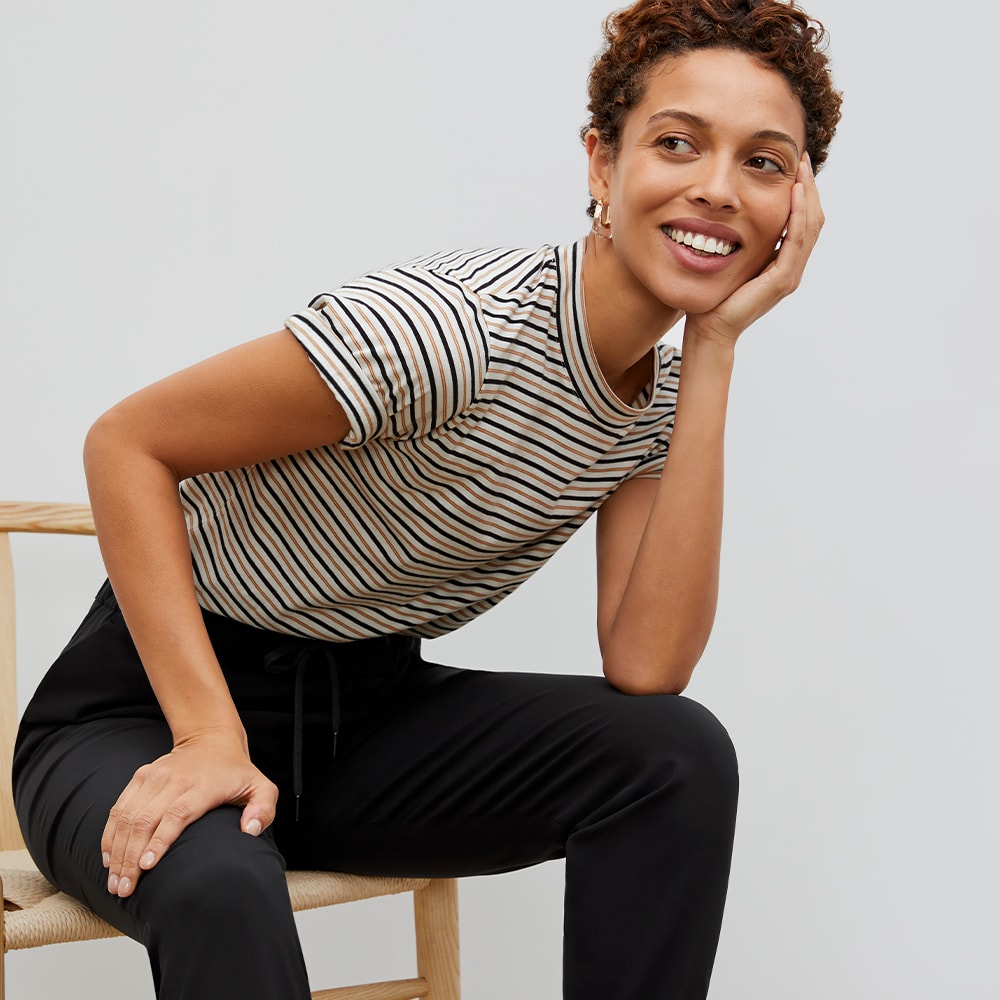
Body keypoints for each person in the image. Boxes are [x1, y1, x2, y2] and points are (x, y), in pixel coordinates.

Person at [13, 0, 841, 997]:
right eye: (676, 143)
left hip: (365, 720)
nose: (716, 188)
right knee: (221, 885)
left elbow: (646, 663)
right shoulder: (455, 329)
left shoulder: (656, 402)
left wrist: (712, 350)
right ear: (599, 164)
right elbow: (127, 443)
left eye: (763, 162)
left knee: (676, 755)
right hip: (144, 709)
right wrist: (209, 737)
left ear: (796, 206)